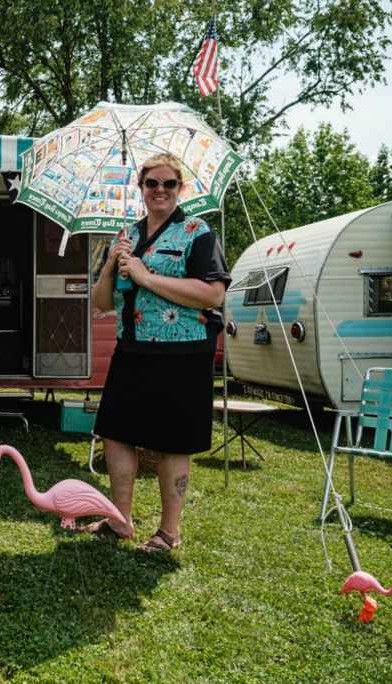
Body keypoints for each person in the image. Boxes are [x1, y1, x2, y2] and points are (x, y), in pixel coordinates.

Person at [83, 153, 230, 553]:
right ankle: (120, 520)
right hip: (132, 348)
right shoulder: (126, 236)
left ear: (179, 188)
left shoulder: (197, 232)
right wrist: (112, 266)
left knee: (171, 441)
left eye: (168, 184)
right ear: (141, 189)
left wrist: (147, 276)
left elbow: (214, 293)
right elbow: (103, 302)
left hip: (182, 351)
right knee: (116, 433)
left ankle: (168, 531)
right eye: (152, 184)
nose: (160, 191)